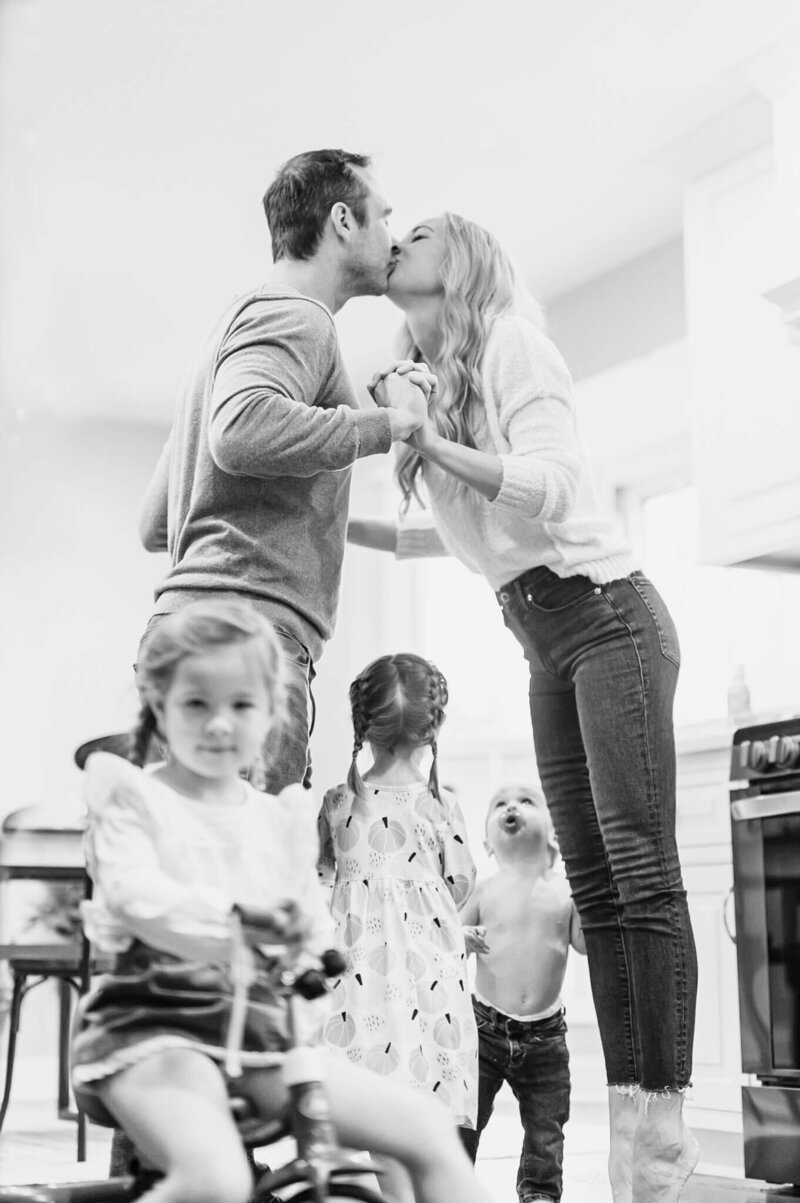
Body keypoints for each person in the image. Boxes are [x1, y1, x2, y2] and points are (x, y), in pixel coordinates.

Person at [347, 212, 700, 1203]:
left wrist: (425, 439)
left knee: (638, 871)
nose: (396, 241)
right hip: (543, 634)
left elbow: (549, 487)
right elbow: (462, 540)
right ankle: (638, 1141)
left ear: (456, 258)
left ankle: (655, 1142)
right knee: (592, 884)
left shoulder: (510, 340)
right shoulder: (440, 377)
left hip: (606, 617)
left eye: (416, 232)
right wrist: (345, 527)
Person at [71, 600, 496, 1203]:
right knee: (215, 1178)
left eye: (241, 705)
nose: (220, 724)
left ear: (270, 711)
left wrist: (315, 944)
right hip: (156, 1028)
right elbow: (140, 898)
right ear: (158, 704)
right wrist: (241, 922)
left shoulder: (279, 819)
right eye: (197, 703)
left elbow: (313, 917)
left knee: (426, 1127)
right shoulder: (133, 798)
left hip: (263, 1039)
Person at [137, 148, 433, 796]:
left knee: (190, 881)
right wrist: (386, 427)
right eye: (383, 216)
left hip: (187, 631)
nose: (391, 235)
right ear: (343, 221)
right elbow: (240, 431)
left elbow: (157, 523)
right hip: (248, 644)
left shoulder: (223, 340)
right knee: (244, 883)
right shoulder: (297, 315)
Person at [318, 653, 479, 1203]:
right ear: (434, 728)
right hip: (428, 974)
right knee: (421, 1097)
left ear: (362, 726)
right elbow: (460, 884)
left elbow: (322, 880)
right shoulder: (441, 805)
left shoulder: (338, 803)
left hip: (359, 974)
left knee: (375, 1094)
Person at [459, 784, 586, 1203]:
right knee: (467, 1118)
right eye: (500, 803)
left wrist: (588, 896)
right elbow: (450, 938)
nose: (512, 806)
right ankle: (453, 1185)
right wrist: (462, 936)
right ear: (487, 844)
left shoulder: (565, 892)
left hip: (546, 1036)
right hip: (485, 1030)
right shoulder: (484, 888)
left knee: (546, 1126)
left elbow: (583, 944)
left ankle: (539, 1193)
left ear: (552, 832)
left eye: (527, 801)